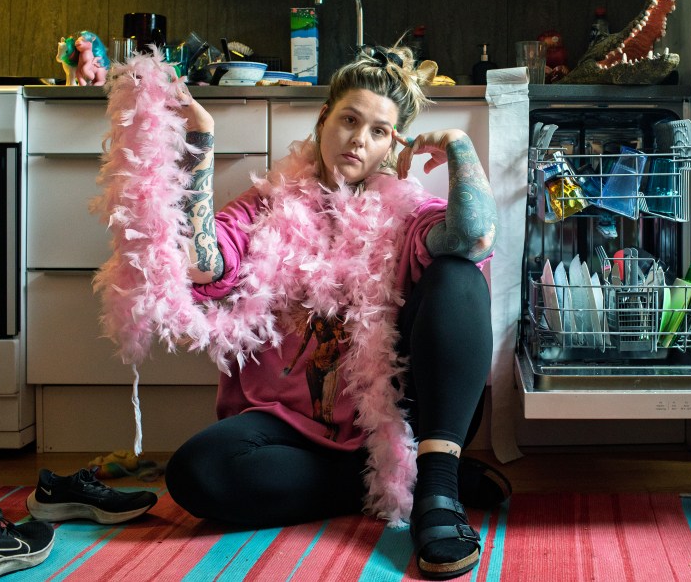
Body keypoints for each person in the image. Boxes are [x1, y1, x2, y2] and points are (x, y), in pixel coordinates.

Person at [97, 44, 506, 580]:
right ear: (324, 119)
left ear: (394, 145)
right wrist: (199, 141)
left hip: (403, 421)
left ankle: (437, 493)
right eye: (350, 120)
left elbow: (475, 237)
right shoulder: (265, 206)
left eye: (379, 131)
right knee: (196, 473)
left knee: (457, 272)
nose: (359, 139)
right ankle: (403, 480)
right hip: (286, 433)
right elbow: (200, 265)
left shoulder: (411, 214)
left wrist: (458, 145)